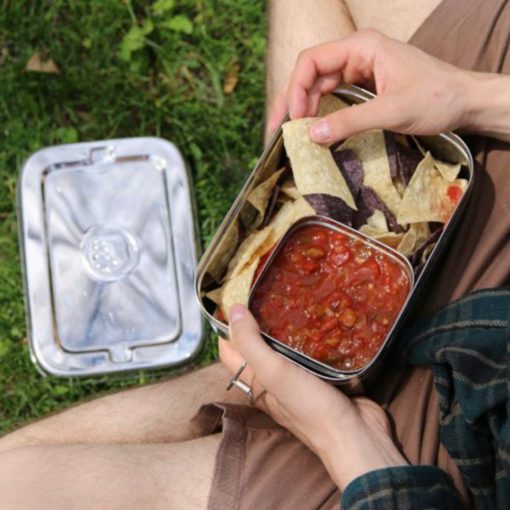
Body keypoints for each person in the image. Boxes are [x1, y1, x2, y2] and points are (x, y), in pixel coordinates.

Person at [1, 1, 509, 508]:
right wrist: (471, 97)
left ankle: (250, 383)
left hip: (428, 466)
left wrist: (350, 441)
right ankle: (253, 379)